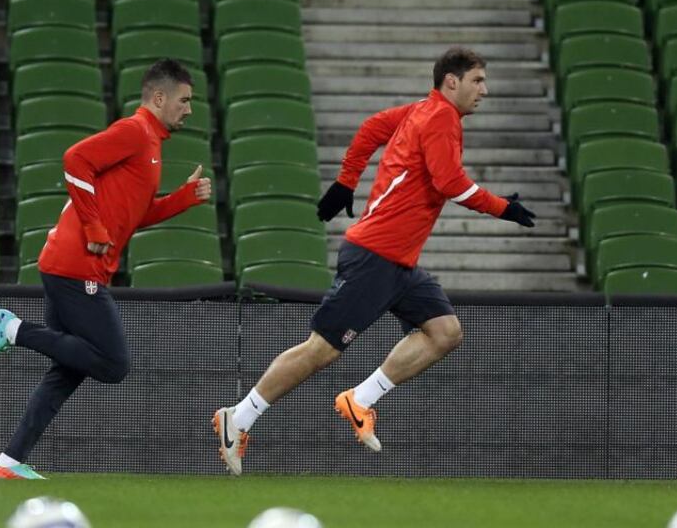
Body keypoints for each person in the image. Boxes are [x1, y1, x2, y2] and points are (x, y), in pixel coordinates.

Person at [212, 47, 536, 475]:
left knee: (445, 332)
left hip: (399, 264)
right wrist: (503, 208)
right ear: (451, 82)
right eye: (478, 80)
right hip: (375, 258)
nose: (485, 91)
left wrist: (346, 183)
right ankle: (239, 416)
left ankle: (360, 400)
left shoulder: (423, 111)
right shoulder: (439, 117)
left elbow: (370, 129)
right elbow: (449, 181)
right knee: (320, 351)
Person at [0, 58, 212, 479]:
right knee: (113, 363)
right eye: (184, 100)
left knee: (66, 372)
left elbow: (132, 216)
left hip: (73, 264)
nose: (189, 109)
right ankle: (11, 329)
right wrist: (94, 224)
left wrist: (183, 199)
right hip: (75, 264)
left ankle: (8, 463)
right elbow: (74, 159)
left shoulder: (151, 146)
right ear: (159, 98)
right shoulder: (134, 132)